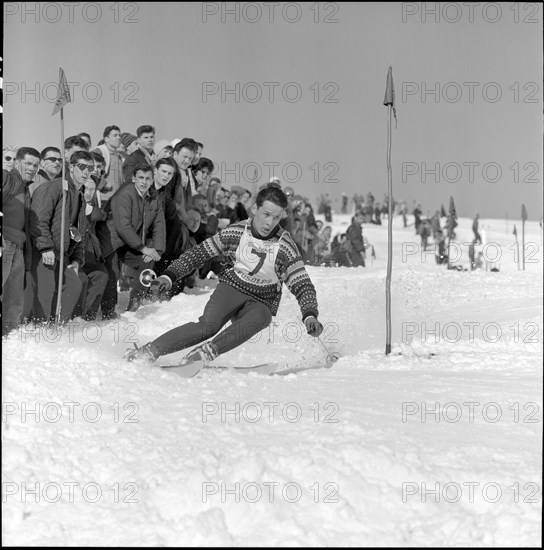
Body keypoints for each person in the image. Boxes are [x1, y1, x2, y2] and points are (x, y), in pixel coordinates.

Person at [124, 185, 323, 366]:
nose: (269, 222)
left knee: (263, 317)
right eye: (266, 214)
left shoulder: (285, 245)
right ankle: (149, 351)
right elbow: (199, 253)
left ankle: (205, 353)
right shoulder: (236, 232)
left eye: (276, 218)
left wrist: (310, 314)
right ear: (255, 209)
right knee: (208, 327)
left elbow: (301, 283)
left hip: (261, 300)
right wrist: (169, 275)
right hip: (232, 289)